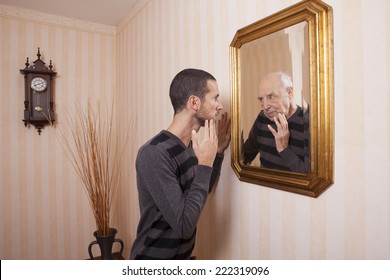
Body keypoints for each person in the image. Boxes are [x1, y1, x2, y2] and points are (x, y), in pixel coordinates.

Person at [130, 68, 231, 259]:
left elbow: (200, 191)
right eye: (215, 98)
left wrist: (216, 154)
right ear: (194, 102)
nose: (219, 106)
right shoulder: (154, 153)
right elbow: (184, 225)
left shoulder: (192, 148)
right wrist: (205, 164)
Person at [242, 72, 310, 173]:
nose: (265, 106)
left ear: (290, 93)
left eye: (271, 97)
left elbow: (311, 178)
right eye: (261, 99)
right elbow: (245, 156)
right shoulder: (262, 118)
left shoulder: (309, 122)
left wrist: (284, 150)